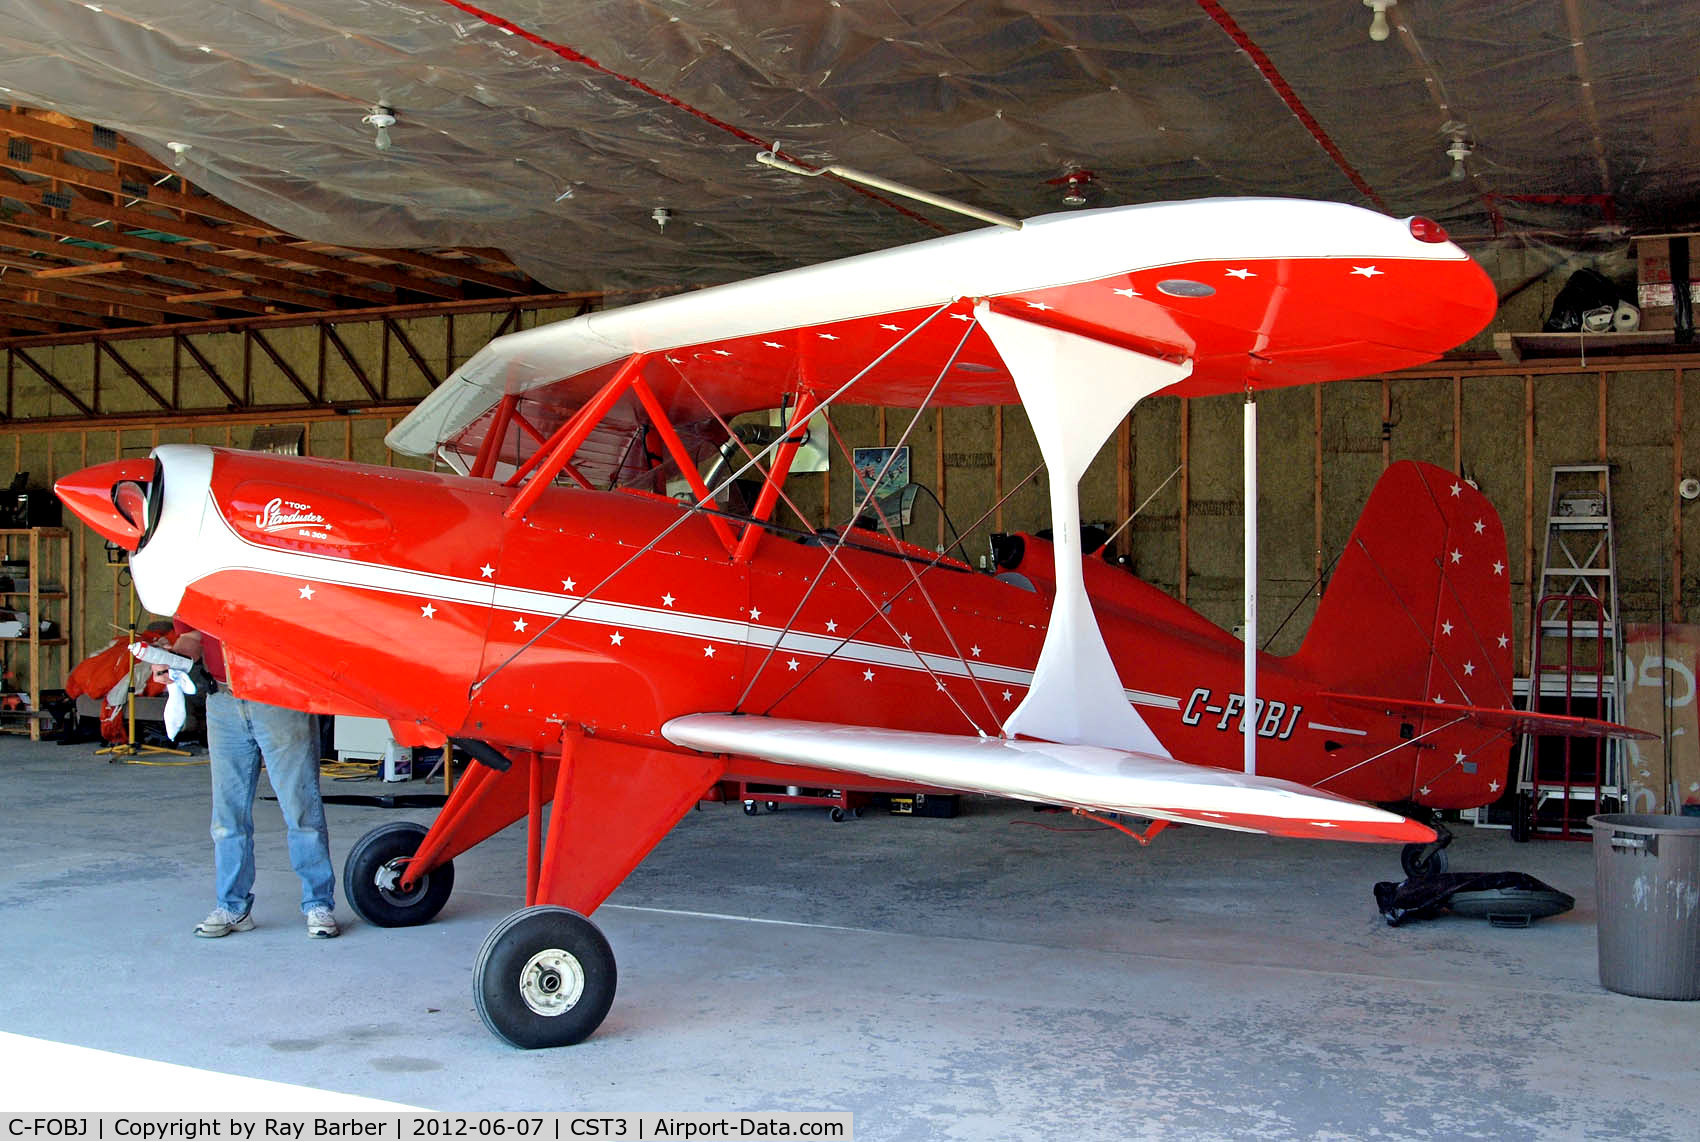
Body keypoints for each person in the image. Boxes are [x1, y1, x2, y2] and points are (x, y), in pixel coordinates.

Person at [155, 624, 339, 939]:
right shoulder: (199, 585)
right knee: (227, 815)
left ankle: (317, 904)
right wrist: (173, 659)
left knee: (300, 809)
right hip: (224, 699)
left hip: (280, 695)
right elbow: (193, 636)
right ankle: (232, 906)